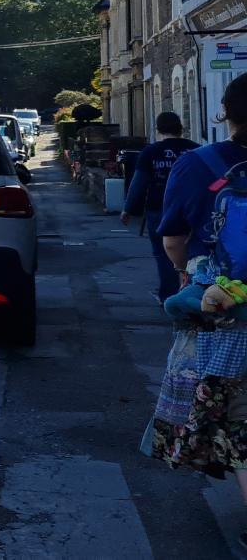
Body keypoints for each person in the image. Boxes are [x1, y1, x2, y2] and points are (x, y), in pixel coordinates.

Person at [150, 74, 247, 535]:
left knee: (240, 420)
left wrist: (189, 276)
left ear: (226, 111)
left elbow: (173, 239)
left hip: (227, 313)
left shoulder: (199, 163)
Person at [122, 111, 199, 301]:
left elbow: (139, 182)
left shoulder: (151, 152)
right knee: (194, 253)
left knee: (163, 253)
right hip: (191, 209)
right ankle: (195, 292)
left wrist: (128, 209)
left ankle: (169, 295)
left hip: (159, 208)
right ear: (180, 127)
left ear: (159, 129)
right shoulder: (195, 150)